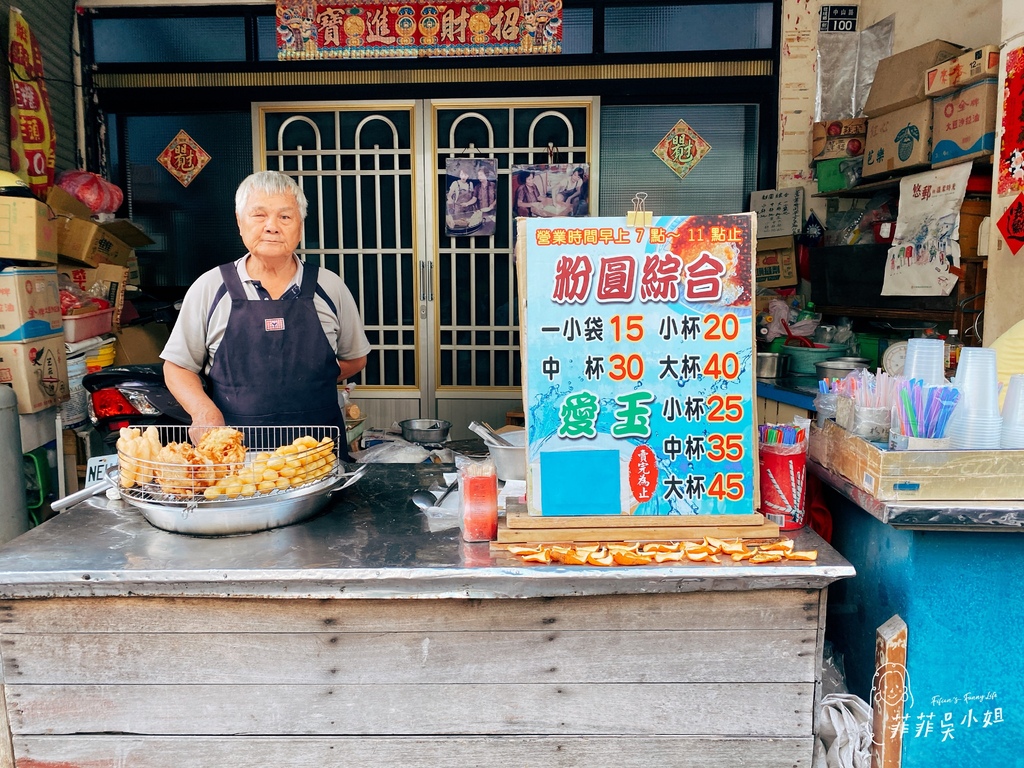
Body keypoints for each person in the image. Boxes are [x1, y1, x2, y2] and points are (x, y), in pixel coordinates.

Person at [161, 170, 370, 441]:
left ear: (300, 225)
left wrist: (307, 379)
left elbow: (355, 358)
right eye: (259, 215)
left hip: (319, 454)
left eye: (285, 216)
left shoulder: (330, 287)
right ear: (239, 221)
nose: (272, 226)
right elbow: (177, 366)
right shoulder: (210, 287)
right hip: (234, 456)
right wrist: (203, 412)